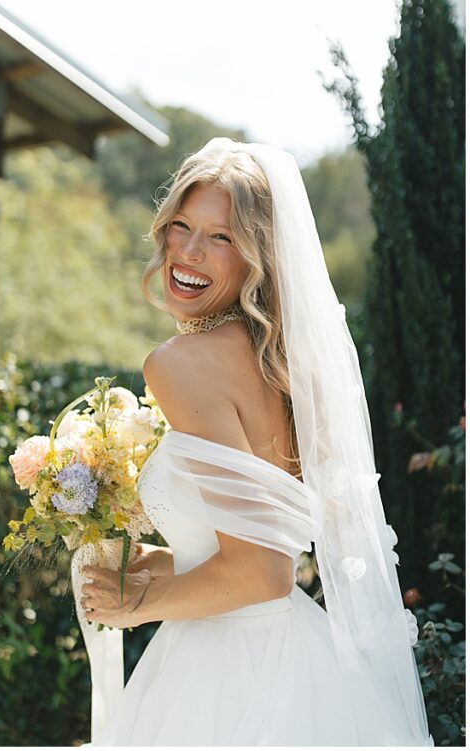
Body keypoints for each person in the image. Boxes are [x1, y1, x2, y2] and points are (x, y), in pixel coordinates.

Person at [79, 139, 431, 745]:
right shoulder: (284, 364)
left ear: (259, 257)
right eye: (181, 226)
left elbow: (263, 573)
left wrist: (132, 608)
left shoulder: (180, 363)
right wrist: (167, 566)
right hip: (301, 650)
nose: (187, 252)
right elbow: (260, 545)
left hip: (229, 673)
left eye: (221, 237)